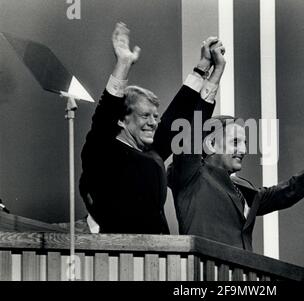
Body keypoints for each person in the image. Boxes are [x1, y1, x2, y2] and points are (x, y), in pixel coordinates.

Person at [79, 22, 226, 234]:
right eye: (145, 116)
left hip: (159, 258)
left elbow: (179, 116)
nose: (153, 122)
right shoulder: (102, 151)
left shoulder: (151, 151)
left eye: (154, 116)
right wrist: (123, 63)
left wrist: (208, 68)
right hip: (119, 258)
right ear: (121, 119)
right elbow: (105, 113)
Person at [168, 104, 304, 250]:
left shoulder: (243, 188)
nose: (243, 150)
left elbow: (290, 190)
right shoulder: (190, 175)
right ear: (211, 143)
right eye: (235, 142)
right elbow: (190, 137)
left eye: (245, 143)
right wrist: (211, 78)